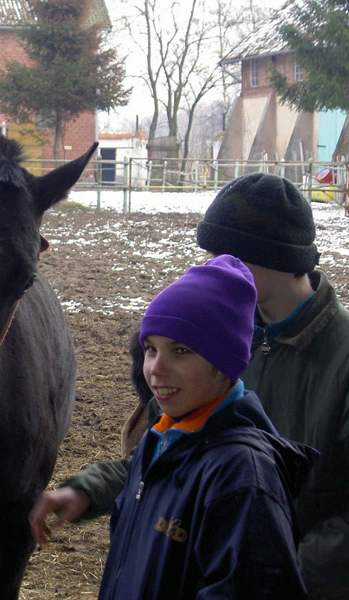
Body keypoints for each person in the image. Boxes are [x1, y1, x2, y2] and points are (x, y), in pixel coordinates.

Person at [30, 172, 349, 599]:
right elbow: (175, 456)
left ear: (276, 257)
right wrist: (90, 489)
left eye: (226, 254)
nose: (214, 266)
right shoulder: (209, 340)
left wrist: (274, 578)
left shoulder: (341, 361)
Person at [107, 254, 312, 597]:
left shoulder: (242, 478)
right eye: (151, 348)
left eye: (182, 350)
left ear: (225, 360)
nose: (156, 368)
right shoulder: (158, 440)